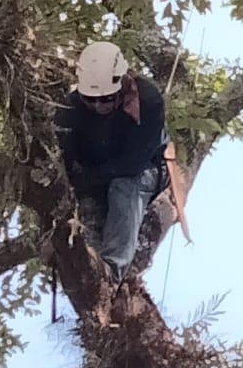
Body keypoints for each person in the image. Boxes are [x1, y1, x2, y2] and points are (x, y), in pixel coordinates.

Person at [54, 41, 168, 282]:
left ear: (121, 85)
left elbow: (134, 163)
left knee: (123, 187)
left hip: (142, 168)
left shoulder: (148, 101)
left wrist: (89, 179)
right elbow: (65, 153)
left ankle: (111, 272)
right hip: (94, 170)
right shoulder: (69, 109)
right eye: (90, 99)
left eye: (106, 99)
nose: (98, 106)